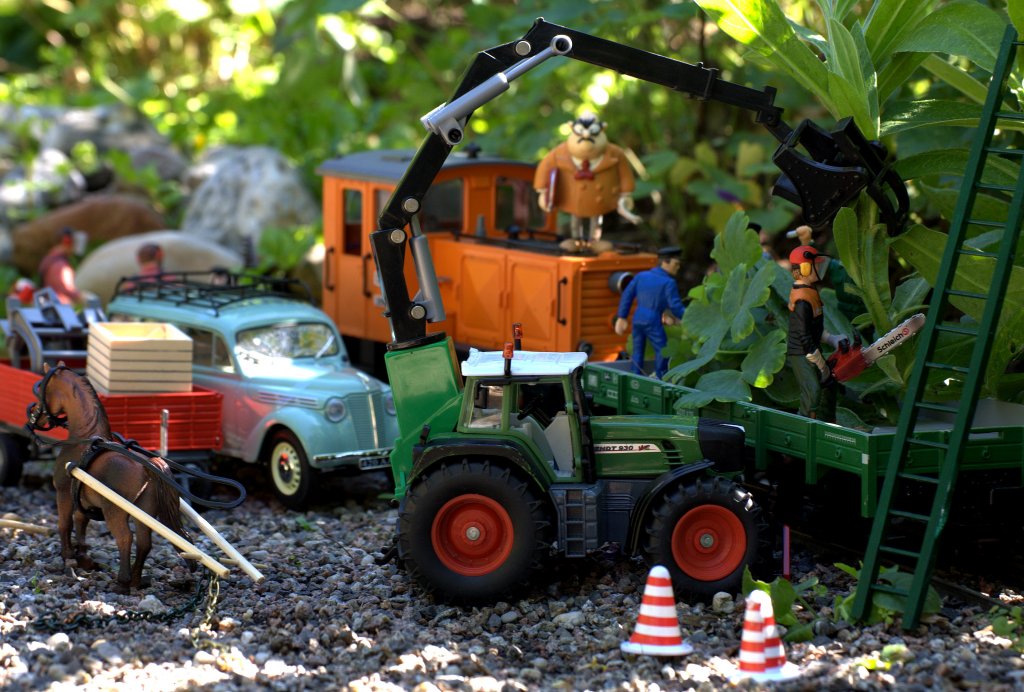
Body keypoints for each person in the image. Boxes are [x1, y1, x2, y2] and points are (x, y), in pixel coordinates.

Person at [534, 112, 638, 254]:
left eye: (593, 133)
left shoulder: (615, 154)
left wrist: (626, 193)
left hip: (601, 200)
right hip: (571, 197)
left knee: (596, 220)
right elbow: (544, 167)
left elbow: (625, 173)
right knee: (575, 219)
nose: (586, 137)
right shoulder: (560, 152)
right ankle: (576, 239)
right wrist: (543, 191)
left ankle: (594, 241)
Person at [786, 244, 849, 421]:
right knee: (813, 390)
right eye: (816, 265)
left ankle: (827, 422)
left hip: (812, 348)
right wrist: (821, 365)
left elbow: (814, 329)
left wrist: (832, 339)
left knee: (829, 383)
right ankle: (804, 424)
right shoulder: (802, 301)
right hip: (801, 352)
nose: (820, 268)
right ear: (805, 268)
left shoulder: (810, 292)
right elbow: (803, 335)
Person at [615, 246, 685, 379]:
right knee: (662, 349)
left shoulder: (641, 276)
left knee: (637, 350)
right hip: (653, 320)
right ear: (665, 262)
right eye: (676, 263)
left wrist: (622, 316)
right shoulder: (668, 282)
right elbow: (675, 305)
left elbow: (627, 295)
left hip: (637, 318)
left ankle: (635, 375)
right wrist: (687, 317)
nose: (678, 267)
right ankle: (660, 376)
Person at [793, 225, 867, 326]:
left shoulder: (846, 272)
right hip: (845, 316)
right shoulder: (835, 268)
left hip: (862, 317)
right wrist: (807, 240)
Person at [38, 227, 83, 305]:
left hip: (48, 304)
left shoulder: (49, 258)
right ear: (67, 241)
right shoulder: (60, 265)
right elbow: (65, 288)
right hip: (59, 306)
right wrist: (81, 296)